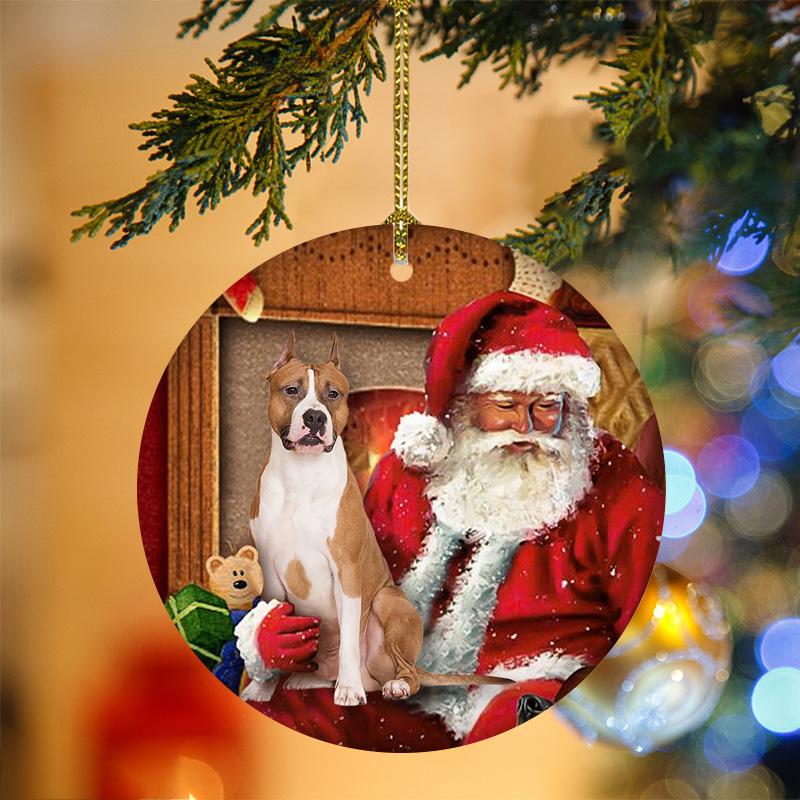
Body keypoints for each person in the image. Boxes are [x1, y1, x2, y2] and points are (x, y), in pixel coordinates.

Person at [242, 291, 664, 750]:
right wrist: (270, 636)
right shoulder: (409, 471)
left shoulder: (610, 481)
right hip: (405, 682)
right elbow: (349, 581)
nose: (526, 425)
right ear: (465, 403)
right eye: (504, 405)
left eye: (547, 406)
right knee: (287, 720)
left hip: (537, 682)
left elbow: (649, 623)